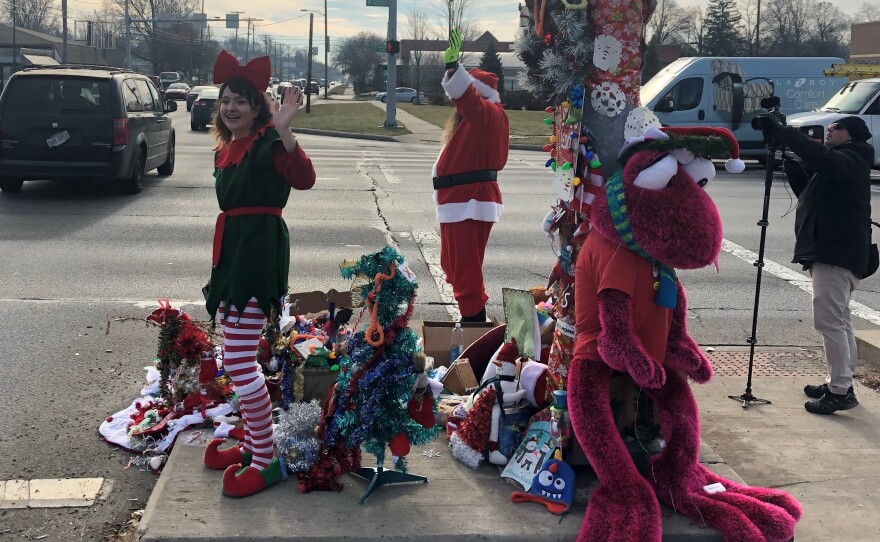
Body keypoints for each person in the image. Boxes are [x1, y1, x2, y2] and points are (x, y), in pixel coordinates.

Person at [201, 50, 316, 496]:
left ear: (257, 107)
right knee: (240, 356)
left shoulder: (269, 141)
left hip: (258, 256)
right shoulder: (227, 148)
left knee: (238, 361)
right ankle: (251, 447)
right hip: (232, 255)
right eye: (226, 100)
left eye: (241, 101)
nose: (231, 107)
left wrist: (286, 129)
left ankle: (265, 459)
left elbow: (304, 178)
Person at [759, 114, 874, 415]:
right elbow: (814, 198)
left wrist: (786, 133)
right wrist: (794, 168)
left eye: (838, 127)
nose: (830, 129)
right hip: (833, 251)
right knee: (840, 319)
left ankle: (840, 391)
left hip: (836, 254)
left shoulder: (853, 158)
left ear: (852, 135)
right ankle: (840, 380)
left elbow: (821, 157)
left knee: (829, 322)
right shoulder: (841, 163)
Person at [433, 29, 510, 322]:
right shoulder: (477, 119)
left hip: (469, 203)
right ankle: (473, 318)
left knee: (465, 272)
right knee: (453, 267)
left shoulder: (489, 113)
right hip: (460, 203)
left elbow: (471, 103)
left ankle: (473, 323)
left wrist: (454, 69)